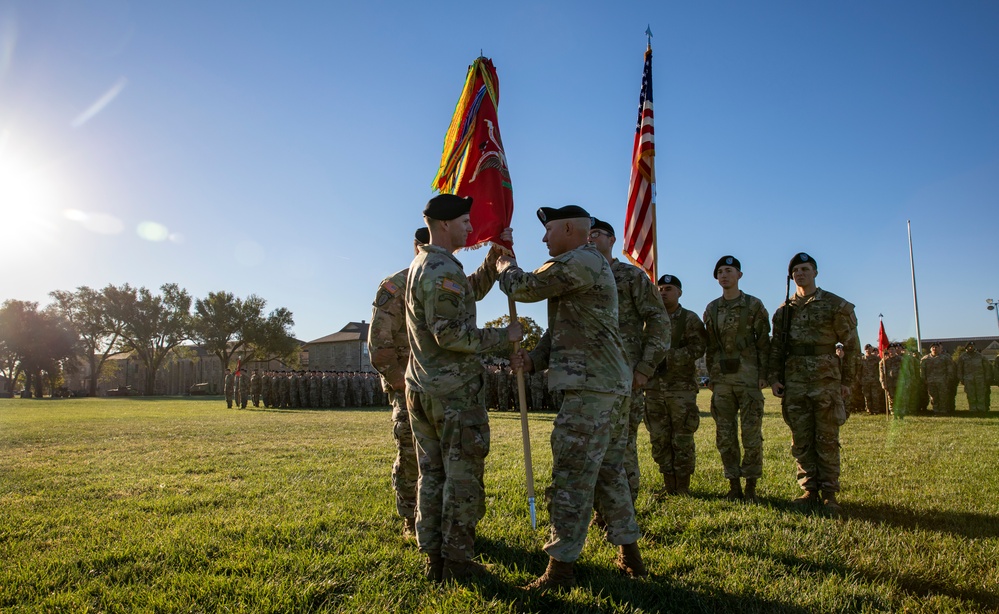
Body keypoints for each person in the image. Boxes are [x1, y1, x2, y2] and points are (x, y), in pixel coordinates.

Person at [497, 205, 645, 592]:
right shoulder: (586, 265)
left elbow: (524, 287)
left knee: (572, 478)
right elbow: (563, 328)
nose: (544, 239)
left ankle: (559, 571)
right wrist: (532, 361)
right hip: (605, 384)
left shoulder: (581, 259)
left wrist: (503, 265)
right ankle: (631, 556)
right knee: (609, 473)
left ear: (567, 229)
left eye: (547, 232)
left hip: (592, 389)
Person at [405, 194, 520, 582]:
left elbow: (468, 292)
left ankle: (435, 557)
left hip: (425, 388)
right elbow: (449, 333)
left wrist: (493, 257)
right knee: (462, 478)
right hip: (452, 394)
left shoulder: (428, 263)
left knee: (433, 474)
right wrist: (504, 335)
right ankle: (457, 562)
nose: (471, 229)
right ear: (444, 225)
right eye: (465, 222)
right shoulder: (441, 268)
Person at [769, 252, 859, 512]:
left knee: (827, 436)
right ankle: (809, 489)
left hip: (826, 379)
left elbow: (851, 347)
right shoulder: (784, 311)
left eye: (805, 269)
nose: (800, 274)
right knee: (801, 438)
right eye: (796, 270)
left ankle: (830, 492)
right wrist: (775, 378)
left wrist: (848, 380)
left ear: (815, 272)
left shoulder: (835, 305)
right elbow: (777, 348)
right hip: (795, 381)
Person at [588, 218, 670, 502]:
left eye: (596, 234)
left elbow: (659, 321)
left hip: (626, 376)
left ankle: (624, 511)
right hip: (588, 379)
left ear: (612, 240)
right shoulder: (579, 276)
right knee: (589, 447)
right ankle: (598, 509)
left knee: (622, 446)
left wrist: (645, 368)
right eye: (586, 234)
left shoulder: (631, 276)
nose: (590, 239)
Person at [368, 227, 430, 541]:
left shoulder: (449, 282)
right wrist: (399, 382)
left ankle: (437, 518)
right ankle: (410, 517)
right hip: (407, 384)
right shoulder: (397, 285)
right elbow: (378, 344)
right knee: (410, 451)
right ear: (417, 246)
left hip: (442, 385)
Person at [703, 256, 770, 502]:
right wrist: (711, 375)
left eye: (729, 270)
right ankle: (733, 485)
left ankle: (751, 486)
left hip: (749, 379)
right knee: (725, 434)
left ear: (739, 275)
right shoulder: (711, 309)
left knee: (751, 434)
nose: (724, 275)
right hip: (722, 381)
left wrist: (765, 375)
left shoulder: (753, 305)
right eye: (720, 271)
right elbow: (710, 346)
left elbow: (764, 342)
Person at [643, 274, 705, 496]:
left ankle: (683, 486)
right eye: (660, 288)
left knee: (682, 437)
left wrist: (669, 356)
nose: (663, 292)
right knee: (659, 437)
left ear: (679, 292)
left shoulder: (689, 319)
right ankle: (668, 483)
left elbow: (698, 347)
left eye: (668, 288)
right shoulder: (649, 319)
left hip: (681, 389)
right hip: (653, 388)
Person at [921, 342, 955, 415]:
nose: (934, 348)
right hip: (930, 381)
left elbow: (950, 369)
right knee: (933, 396)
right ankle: (936, 410)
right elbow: (922, 371)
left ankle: (943, 410)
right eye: (933, 347)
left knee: (943, 396)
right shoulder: (925, 359)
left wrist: (948, 379)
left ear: (939, 349)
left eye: (936, 347)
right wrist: (924, 380)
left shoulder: (945, 358)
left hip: (942, 381)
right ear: (930, 349)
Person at [957, 342, 992, 412]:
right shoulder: (962, 357)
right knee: (970, 394)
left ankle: (981, 408)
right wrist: (961, 378)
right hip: (968, 379)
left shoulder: (980, 356)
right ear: (966, 348)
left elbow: (987, 367)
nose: (971, 348)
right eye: (969, 346)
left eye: (972, 346)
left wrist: (987, 377)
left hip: (980, 378)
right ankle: (973, 409)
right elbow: (959, 369)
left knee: (981, 394)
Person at [860, 345, 886, 414]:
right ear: (865, 350)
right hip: (865, 380)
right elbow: (859, 370)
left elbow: (881, 367)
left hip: (875, 380)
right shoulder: (862, 359)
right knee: (867, 396)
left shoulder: (876, 359)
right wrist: (860, 379)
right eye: (867, 349)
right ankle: (869, 410)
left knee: (875, 396)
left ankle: (876, 410)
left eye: (870, 349)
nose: (869, 350)